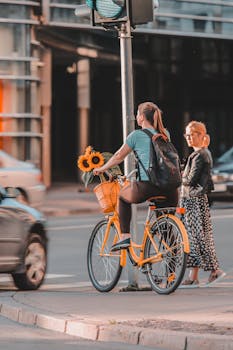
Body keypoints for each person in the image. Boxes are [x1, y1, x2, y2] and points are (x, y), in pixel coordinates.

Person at [93, 101, 178, 251]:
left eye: (137, 114)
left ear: (142, 118)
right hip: (170, 188)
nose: (136, 117)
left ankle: (125, 237)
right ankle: (173, 261)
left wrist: (102, 168)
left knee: (122, 196)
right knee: (165, 226)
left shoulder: (136, 135)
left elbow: (119, 156)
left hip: (148, 186)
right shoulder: (165, 134)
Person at [181, 121, 225, 285]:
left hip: (195, 201)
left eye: (192, 135)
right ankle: (193, 277)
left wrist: (180, 176)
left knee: (198, 238)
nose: (188, 138)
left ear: (201, 135)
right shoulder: (198, 154)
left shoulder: (201, 155)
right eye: (187, 135)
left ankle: (215, 270)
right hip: (193, 200)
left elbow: (190, 180)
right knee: (193, 238)